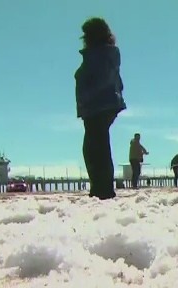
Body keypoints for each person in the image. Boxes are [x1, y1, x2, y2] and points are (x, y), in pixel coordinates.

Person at [75, 17, 126, 200]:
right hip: (100, 105)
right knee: (96, 146)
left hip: (99, 105)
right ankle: (101, 189)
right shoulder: (104, 53)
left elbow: (104, 81)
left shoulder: (101, 54)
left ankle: (102, 190)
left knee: (95, 147)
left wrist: (87, 98)